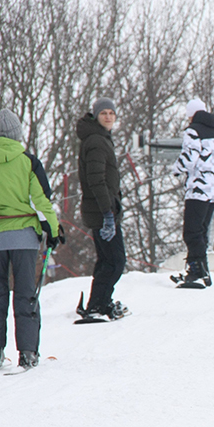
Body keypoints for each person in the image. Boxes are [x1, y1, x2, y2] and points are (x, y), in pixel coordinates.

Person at [0, 109, 62, 369]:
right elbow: (41, 202)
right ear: (17, 134)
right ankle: (27, 352)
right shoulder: (28, 162)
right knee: (25, 293)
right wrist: (54, 231)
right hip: (23, 238)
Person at [75, 97, 128, 321]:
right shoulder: (97, 141)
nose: (108, 116)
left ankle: (100, 302)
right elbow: (96, 180)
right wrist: (108, 213)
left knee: (107, 260)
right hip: (102, 211)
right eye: (104, 113)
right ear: (96, 116)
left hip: (103, 209)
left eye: (111, 113)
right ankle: (97, 305)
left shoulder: (100, 138)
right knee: (116, 260)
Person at [171, 98, 214, 287]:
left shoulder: (193, 131)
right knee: (201, 231)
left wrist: (176, 169)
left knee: (192, 232)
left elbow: (189, 158)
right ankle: (200, 271)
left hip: (199, 188)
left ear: (190, 115)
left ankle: (197, 271)